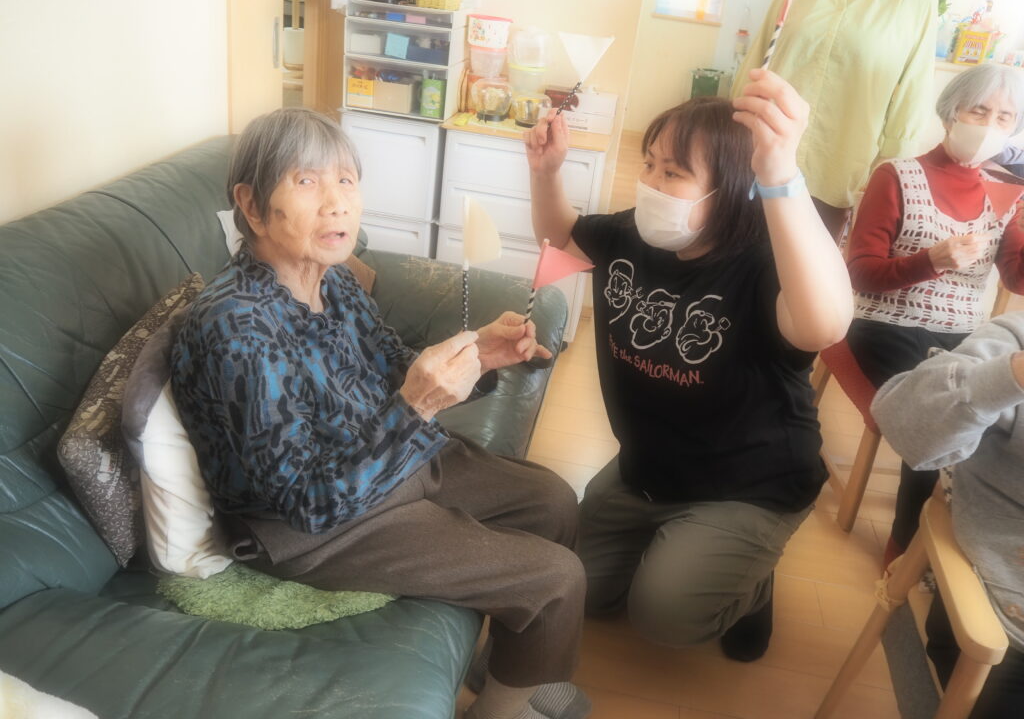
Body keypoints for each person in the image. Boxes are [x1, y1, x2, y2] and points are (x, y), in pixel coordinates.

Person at [171, 108, 590, 719]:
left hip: (385, 456)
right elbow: (306, 502)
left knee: (553, 500)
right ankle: (504, 709)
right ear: (252, 206)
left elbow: (393, 363)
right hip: (312, 528)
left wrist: (478, 354)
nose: (337, 203)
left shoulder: (333, 281)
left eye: (346, 180)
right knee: (556, 580)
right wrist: (415, 408)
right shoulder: (234, 327)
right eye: (307, 181)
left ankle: (510, 668)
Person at [525, 69, 853, 661]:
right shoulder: (632, 236)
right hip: (647, 469)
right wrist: (546, 171)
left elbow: (824, 324)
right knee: (578, 590)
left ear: (730, 187)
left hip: (749, 486)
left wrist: (779, 173)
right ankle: (681, 548)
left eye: (673, 173)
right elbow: (559, 235)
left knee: (664, 616)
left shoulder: (762, 265)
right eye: (650, 164)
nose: (650, 182)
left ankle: (752, 588)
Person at [845, 62, 1024, 568]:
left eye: (1004, 117)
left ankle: (973, 554)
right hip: (886, 324)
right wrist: (930, 261)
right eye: (979, 111)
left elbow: (1016, 278)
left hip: (964, 334)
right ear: (950, 114)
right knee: (943, 409)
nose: (989, 125)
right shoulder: (897, 176)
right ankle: (903, 555)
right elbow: (860, 273)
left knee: (999, 419)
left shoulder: (1009, 192)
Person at [872, 313, 1024, 718]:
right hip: (1002, 612)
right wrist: (1010, 375)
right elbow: (904, 423)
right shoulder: (1014, 337)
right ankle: (902, 551)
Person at [733, 0, 937, 240]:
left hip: (837, 167)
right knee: (740, 248)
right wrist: (731, 130)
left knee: (807, 260)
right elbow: (759, 54)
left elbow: (913, 92)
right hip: (764, 148)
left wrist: (887, 177)